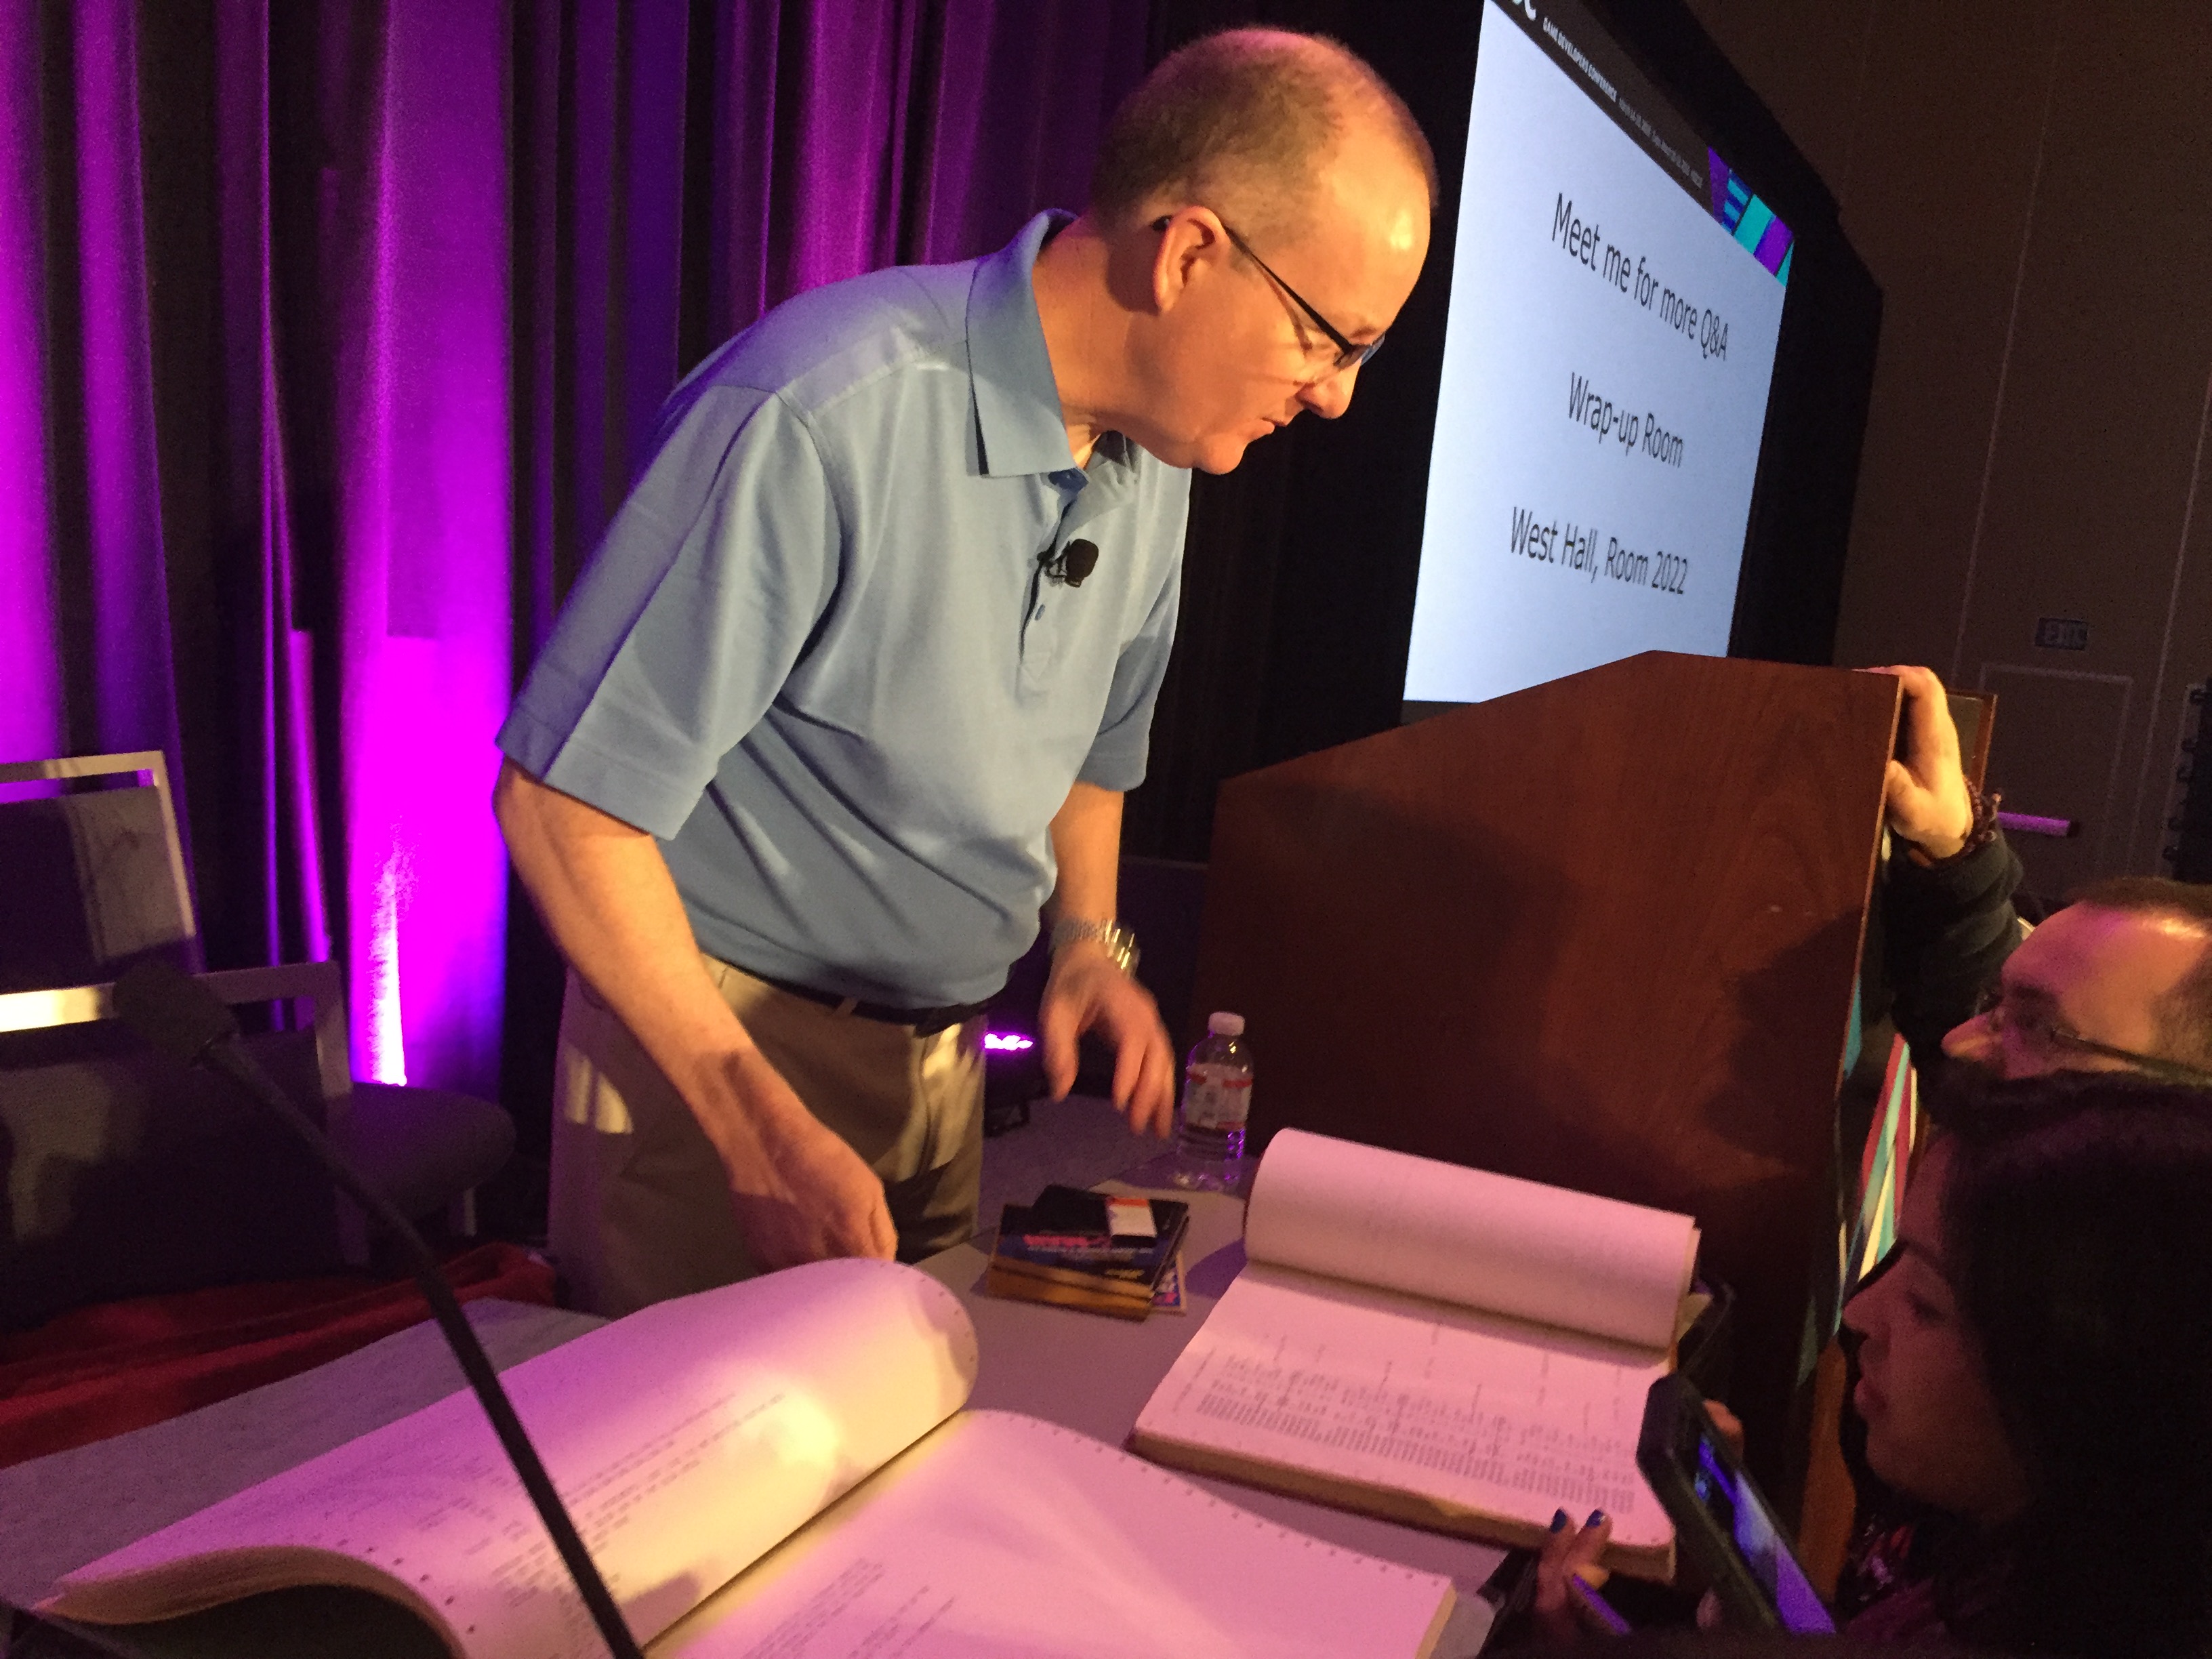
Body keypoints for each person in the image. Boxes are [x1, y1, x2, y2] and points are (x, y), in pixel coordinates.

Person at [493, 30, 1437, 1315]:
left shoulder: (1158, 461)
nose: (1333, 397)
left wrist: (1086, 945)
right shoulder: (822, 409)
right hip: (714, 1066)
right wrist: (746, 1115)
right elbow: (563, 805)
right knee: (689, 1492)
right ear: (1188, 252)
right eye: (1329, 339)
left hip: (939, 1076)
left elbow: (1093, 757)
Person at [1536, 1069, 2212, 1654]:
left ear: (2082, 1389)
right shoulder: (1992, 1546)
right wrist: (1725, 1598)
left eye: (1925, 1304)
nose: (1860, 1314)